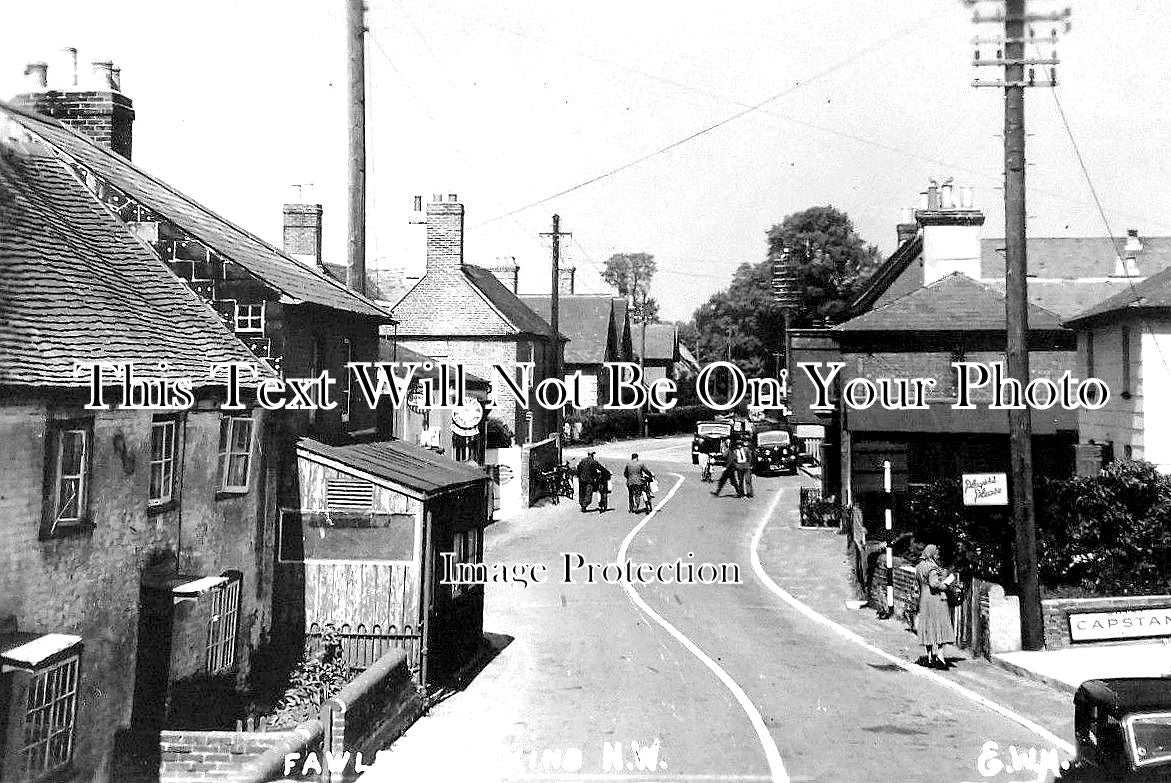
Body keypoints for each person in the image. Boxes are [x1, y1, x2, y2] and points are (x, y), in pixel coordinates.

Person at [915, 544, 956, 669]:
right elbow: (934, 584)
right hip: (935, 599)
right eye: (936, 553)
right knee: (940, 625)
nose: (937, 555)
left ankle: (929, 657)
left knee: (927, 626)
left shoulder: (919, 567)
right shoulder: (932, 567)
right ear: (932, 554)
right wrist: (948, 582)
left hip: (924, 599)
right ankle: (940, 656)